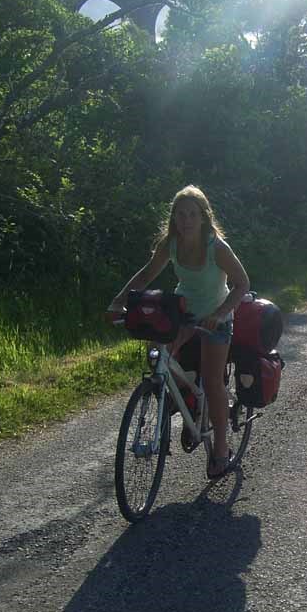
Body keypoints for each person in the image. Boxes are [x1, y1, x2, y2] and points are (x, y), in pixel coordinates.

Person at [107, 185, 250, 479]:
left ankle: (221, 450)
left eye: (192, 214)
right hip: (182, 312)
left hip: (215, 318)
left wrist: (219, 313)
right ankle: (191, 407)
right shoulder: (170, 244)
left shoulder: (217, 248)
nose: (185, 220)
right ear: (173, 218)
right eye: (180, 214)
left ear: (203, 217)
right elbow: (147, 275)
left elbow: (242, 284)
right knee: (159, 361)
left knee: (212, 382)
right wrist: (119, 301)